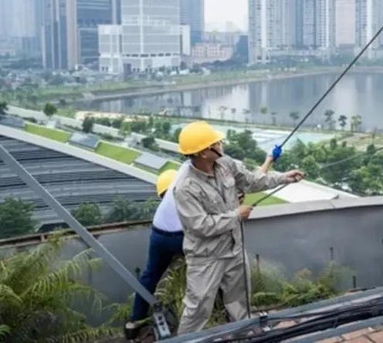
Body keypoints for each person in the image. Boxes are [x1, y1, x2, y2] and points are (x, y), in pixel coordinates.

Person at [173, 121, 304, 334]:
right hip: (206, 257)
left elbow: (252, 181)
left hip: (233, 248)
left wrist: (284, 178)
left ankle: (245, 335)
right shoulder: (185, 188)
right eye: (216, 142)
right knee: (198, 307)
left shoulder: (226, 165)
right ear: (205, 152)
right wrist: (237, 214)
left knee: (239, 301)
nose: (221, 143)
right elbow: (200, 226)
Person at [124, 168, 186, 339]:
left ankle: (136, 319)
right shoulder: (184, 194)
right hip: (183, 238)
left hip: (159, 237)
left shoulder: (163, 208)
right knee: (210, 266)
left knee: (150, 274)